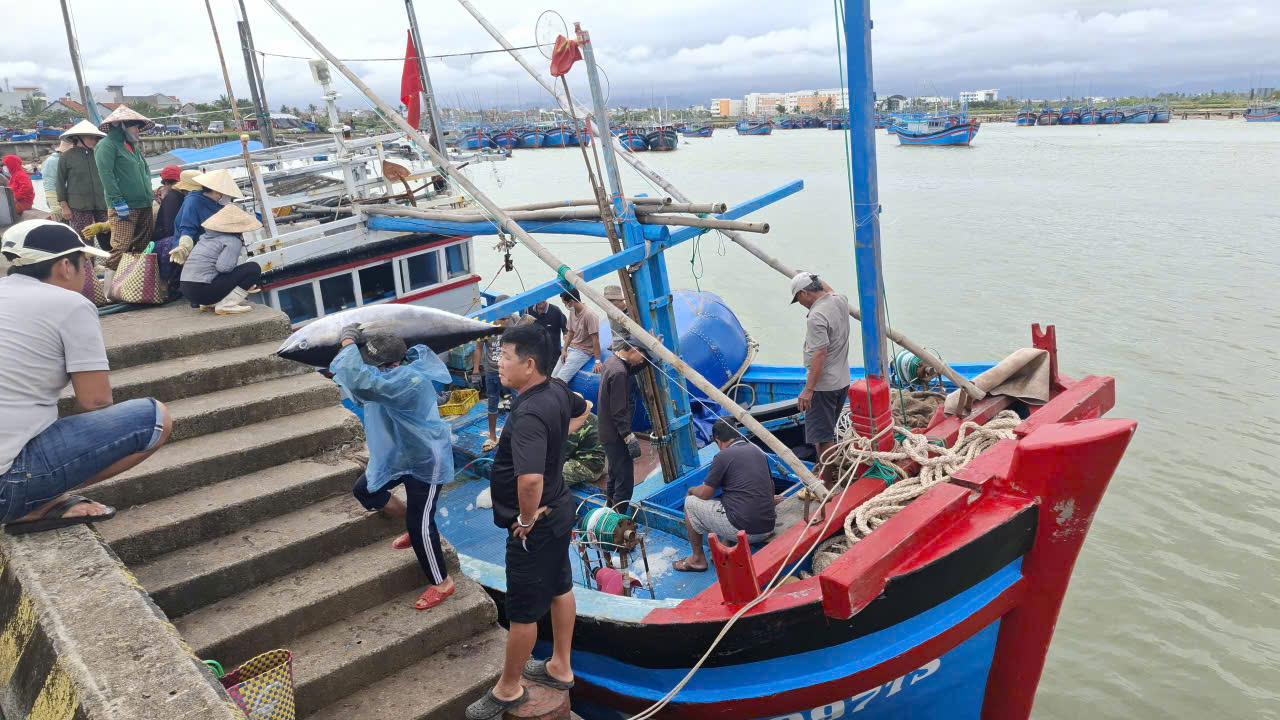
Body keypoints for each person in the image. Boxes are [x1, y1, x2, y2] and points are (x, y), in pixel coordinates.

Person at [0, 220, 172, 535]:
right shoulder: (70, 304)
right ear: (65, 266)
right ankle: (36, 502)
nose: (87, 270)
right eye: (86, 262)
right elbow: (95, 401)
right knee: (156, 418)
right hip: (6, 487)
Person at [466, 323, 588, 720]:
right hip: (560, 509)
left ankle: (508, 688)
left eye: (505, 356)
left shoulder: (530, 412)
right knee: (560, 586)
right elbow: (583, 407)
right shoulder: (554, 390)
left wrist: (525, 517)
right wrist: (557, 443)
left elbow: (530, 479)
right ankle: (560, 666)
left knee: (522, 610)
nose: (498, 363)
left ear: (529, 364)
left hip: (537, 524)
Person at [330, 324, 457, 611]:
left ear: (394, 364)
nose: (372, 368)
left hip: (427, 458)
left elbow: (361, 383)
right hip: (401, 454)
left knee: (422, 522)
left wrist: (348, 341)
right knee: (364, 490)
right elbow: (361, 383)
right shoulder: (388, 376)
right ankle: (411, 523)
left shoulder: (406, 380)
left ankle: (442, 582)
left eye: (376, 365)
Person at [673, 420, 777, 572]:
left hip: (747, 532)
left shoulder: (723, 455)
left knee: (690, 503)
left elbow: (705, 493)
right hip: (768, 526)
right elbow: (771, 487)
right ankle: (725, 543)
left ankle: (697, 559)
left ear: (718, 441)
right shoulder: (757, 450)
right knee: (732, 500)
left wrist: (692, 490)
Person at [790, 271, 851, 490]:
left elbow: (819, 354)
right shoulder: (839, 300)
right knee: (828, 432)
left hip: (824, 386)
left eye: (798, 299)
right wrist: (809, 274)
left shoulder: (816, 316)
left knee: (822, 436)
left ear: (805, 293)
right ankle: (826, 473)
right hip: (842, 381)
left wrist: (808, 390)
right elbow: (828, 289)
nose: (800, 304)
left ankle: (824, 483)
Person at [95, 105, 157, 271]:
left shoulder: (132, 147)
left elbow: (145, 171)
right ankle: (109, 288)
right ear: (121, 126)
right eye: (135, 127)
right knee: (121, 246)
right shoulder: (106, 145)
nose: (138, 131)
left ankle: (131, 283)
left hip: (143, 203)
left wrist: (150, 193)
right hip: (124, 206)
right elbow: (106, 174)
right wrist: (118, 201)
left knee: (141, 245)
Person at [178, 204, 262, 315]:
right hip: (202, 290)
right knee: (253, 268)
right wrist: (243, 281)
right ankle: (227, 304)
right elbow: (223, 268)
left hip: (187, 288)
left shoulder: (205, 238)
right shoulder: (232, 241)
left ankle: (209, 304)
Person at [596, 336, 649, 513]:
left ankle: (607, 511)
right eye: (642, 355)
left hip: (606, 431)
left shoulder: (612, 362)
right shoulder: (619, 373)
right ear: (633, 349)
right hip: (616, 435)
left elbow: (630, 369)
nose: (642, 360)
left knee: (613, 476)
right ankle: (616, 522)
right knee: (625, 483)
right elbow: (618, 410)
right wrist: (628, 436)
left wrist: (653, 356)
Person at [169, 169, 244, 266]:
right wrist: (183, 248)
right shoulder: (193, 202)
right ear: (217, 191)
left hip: (210, 247)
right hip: (195, 253)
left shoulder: (217, 203)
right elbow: (187, 229)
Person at [472, 303, 519, 452]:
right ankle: (492, 437)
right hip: (492, 370)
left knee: (518, 401)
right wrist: (475, 371)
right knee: (492, 401)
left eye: (506, 318)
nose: (503, 321)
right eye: (501, 318)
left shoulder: (516, 321)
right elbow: (479, 348)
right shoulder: (485, 324)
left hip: (511, 369)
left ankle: (517, 434)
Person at [151, 170, 201, 299]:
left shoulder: (186, 198)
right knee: (175, 245)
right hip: (164, 241)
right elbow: (169, 228)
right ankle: (167, 283)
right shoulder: (174, 198)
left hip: (177, 236)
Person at [55, 121, 108, 240]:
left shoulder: (99, 154)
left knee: (109, 236)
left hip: (102, 203)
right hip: (78, 205)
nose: (94, 141)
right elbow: (59, 182)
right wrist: (64, 206)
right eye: (90, 138)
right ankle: (87, 259)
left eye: (95, 138)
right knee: (83, 239)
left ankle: (112, 259)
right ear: (78, 138)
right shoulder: (66, 156)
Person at [552, 288, 601, 382]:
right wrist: (564, 350)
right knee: (553, 376)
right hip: (572, 347)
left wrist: (597, 361)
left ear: (571, 302)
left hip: (583, 351)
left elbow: (595, 339)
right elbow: (570, 332)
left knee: (560, 380)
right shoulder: (572, 311)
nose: (565, 306)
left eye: (565, 303)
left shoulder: (589, 315)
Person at [562, 411, 605, 488]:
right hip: (592, 462)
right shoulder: (584, 413)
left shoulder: (577, 421)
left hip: (588, 466)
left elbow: (564, 453)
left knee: (546, 479)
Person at [39, 141, 69, 222]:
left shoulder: (51, 160)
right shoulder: (57, 161)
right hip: (56, 197)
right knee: (62, 220)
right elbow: (52, 185)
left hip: (53, 195)